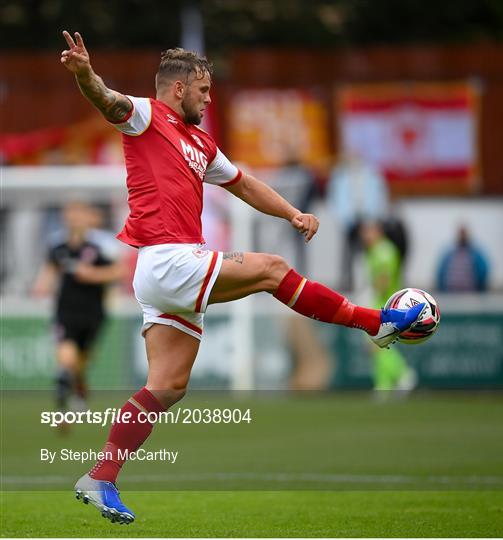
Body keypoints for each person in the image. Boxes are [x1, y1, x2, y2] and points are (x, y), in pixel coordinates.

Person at [60, 30, 425, 524]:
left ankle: (101, 477)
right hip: (167, 258)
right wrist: (85, 74)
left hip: (165, 270)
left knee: (167, 386)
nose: (210, 99)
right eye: (204, 91)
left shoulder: (200, 143)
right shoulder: (147, 115)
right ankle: (375, 324)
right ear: (177, 89)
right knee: (272, 269)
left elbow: (245, 184)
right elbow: (105, 99)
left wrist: (292, 214)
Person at [33, 200, 125, 416]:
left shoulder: (102, 246)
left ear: (88, 216)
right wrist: (41, 287)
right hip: (65, 311)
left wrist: (93, 275)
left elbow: (119, 271)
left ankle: (78, 392)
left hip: (93, 312)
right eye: (69, 212)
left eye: (78, 212)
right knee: (67, 356)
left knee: (80, 362)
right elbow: (48, 273)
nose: (73, 217)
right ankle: (62, 399)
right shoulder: (58, 247)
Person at [361, 221, 417, 395]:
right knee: (379, 346)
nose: (365, 236)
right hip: (383, 303)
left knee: (376, 344)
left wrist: (370, 293)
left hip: (385, 304)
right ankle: (384, 387)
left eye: (368, 231)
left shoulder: (383, 251)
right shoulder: (378, 250)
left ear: (377, 231)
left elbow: (383, 279)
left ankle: (403, 373)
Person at [327, 154, 389, 291]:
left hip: (368, 218)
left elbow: (379, 196)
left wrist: (375, 217)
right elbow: (335, 199)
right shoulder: (340, 176)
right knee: (348, 253)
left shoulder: (371, 175)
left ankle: (368, 282)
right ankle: (348, 282)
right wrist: (343, 218)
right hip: (349, 220)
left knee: (370, 253)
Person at [436, 225, 489, 292]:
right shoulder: (449, 254)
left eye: (464, 234)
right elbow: (441, 273)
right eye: (461, 234)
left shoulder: (476, 254)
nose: (462, 236)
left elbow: (483, 272)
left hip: (470, 293)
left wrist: (480, 289)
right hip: (450, 293)